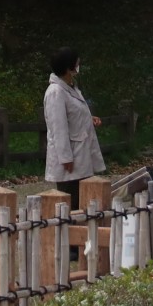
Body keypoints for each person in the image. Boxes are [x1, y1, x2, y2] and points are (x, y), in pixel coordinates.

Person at [42, 47, 104, 210]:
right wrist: (65, 158)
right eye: (76, 63)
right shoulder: (56, 91)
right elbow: (58, 127)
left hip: (81, 152)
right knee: (71, 203)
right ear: (69, 67)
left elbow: (72, 115)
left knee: (84, 200)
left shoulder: (70, 87)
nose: (79, 65)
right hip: (70, 158)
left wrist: (88, 119)